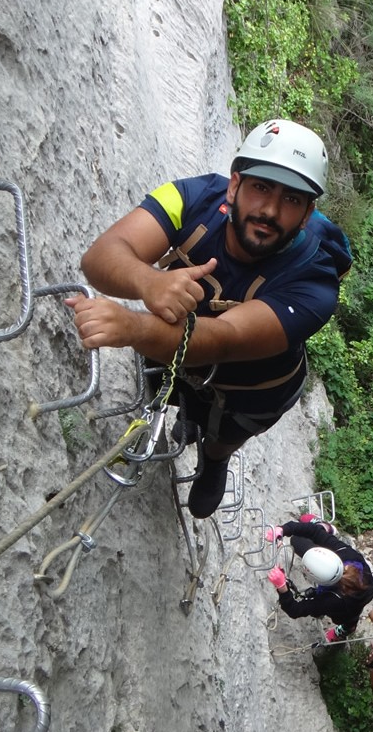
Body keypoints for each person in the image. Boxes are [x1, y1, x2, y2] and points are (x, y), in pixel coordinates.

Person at [66, 120, 352, 518]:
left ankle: (214, 459)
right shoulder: (192, 198)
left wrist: (133, 327)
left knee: (224, 435)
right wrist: (147, 280)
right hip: (171, 346)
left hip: (255, 389)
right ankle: (180, 416)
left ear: (307, 215)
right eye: (261, 187)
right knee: (164, 385)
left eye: (291, 199)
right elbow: (101, 256)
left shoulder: (316, 281)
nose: (269, 210)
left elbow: (224, 338)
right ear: (234, 185)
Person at [266, 515, 373, 641]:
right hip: (366, 585)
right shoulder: (346, 555)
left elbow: (295, 610)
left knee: (345, 618)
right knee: (297, 540)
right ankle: (326, 527)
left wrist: (282, 587)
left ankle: (347, 629)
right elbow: (314, 532)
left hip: (347, 607)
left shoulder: (333, 601)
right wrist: (284, 529)